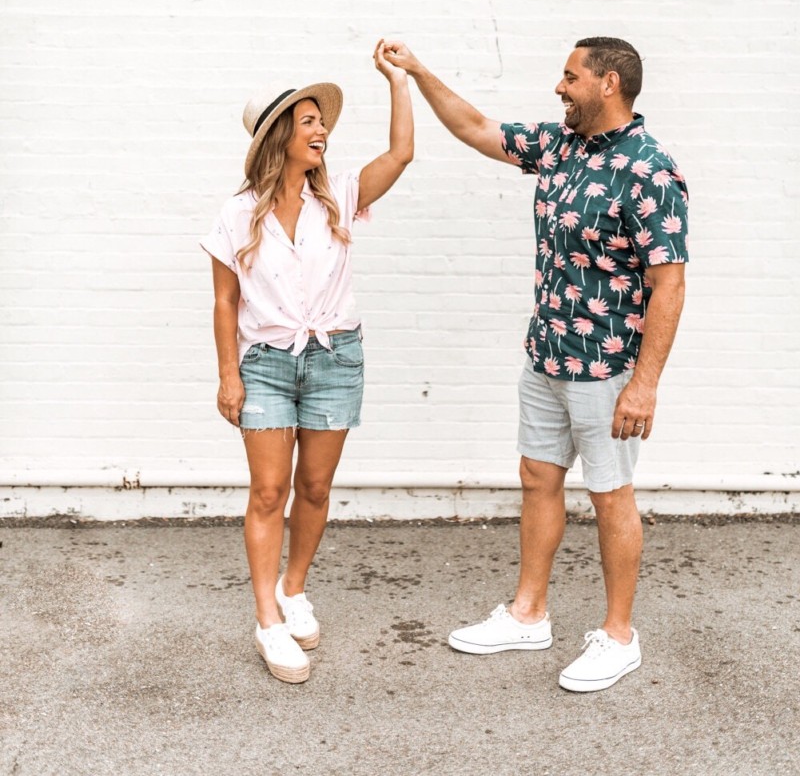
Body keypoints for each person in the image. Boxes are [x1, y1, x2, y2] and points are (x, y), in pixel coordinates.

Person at [382, 36, 687, 693]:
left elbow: (670, 283)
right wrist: (418, 69)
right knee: (537, 477)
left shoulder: (650, 170)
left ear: (608, 83)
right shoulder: (559, 146)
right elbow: (474, 126)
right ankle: (529, 613)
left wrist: (646, 384)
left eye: (569, 76)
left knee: (611, 495)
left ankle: (618, 635)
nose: (558, 86)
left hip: (607, 368)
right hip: (546, 353)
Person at [201, 41, 413, 684]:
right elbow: (223, 301)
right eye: (309, 121)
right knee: (269, 492)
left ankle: (293, 589)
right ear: (279, 138)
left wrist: (398, 81)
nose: (322, 130)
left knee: (314, 488)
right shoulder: (237, 214)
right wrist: (229, 375)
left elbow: (401, 153)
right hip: (265, 360)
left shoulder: (340, 198)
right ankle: (267, 620)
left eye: (323, 121)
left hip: (334, 356)